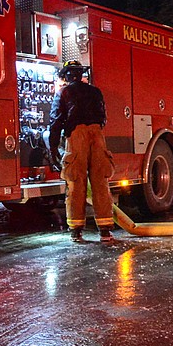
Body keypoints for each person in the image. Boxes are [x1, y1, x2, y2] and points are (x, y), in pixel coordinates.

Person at [48, 59, 115, 243]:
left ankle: (76, 231)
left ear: (67, 76)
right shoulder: (96, 92)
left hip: (76, 137)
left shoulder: (63, 93)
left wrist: (53, 146)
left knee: (76, 182)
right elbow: (104, 118)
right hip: (97, 136)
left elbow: (56, 121)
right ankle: (105, 231)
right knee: (100, 182)